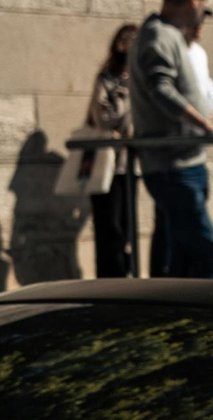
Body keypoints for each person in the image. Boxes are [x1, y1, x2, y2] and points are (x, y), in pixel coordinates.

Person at [129, 0, 213, 278]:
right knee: (209, 253)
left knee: (181, 257)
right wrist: (206, 126)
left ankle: (179, 315)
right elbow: (161, 89)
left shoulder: (168, 35)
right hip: (174, 167)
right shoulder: (158, 35)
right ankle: (199, 316)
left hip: (184, 163)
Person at [84, 25, 137, 278]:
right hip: (106, 163)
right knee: (109, 226)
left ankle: (124, 273)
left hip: (130, 165)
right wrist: (123, 95)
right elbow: (103, 117)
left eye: (134, 40)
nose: (129, 44)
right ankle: (110, 278)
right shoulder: (106, 78)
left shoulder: (141, 80)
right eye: (125, 39)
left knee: (126, 227)